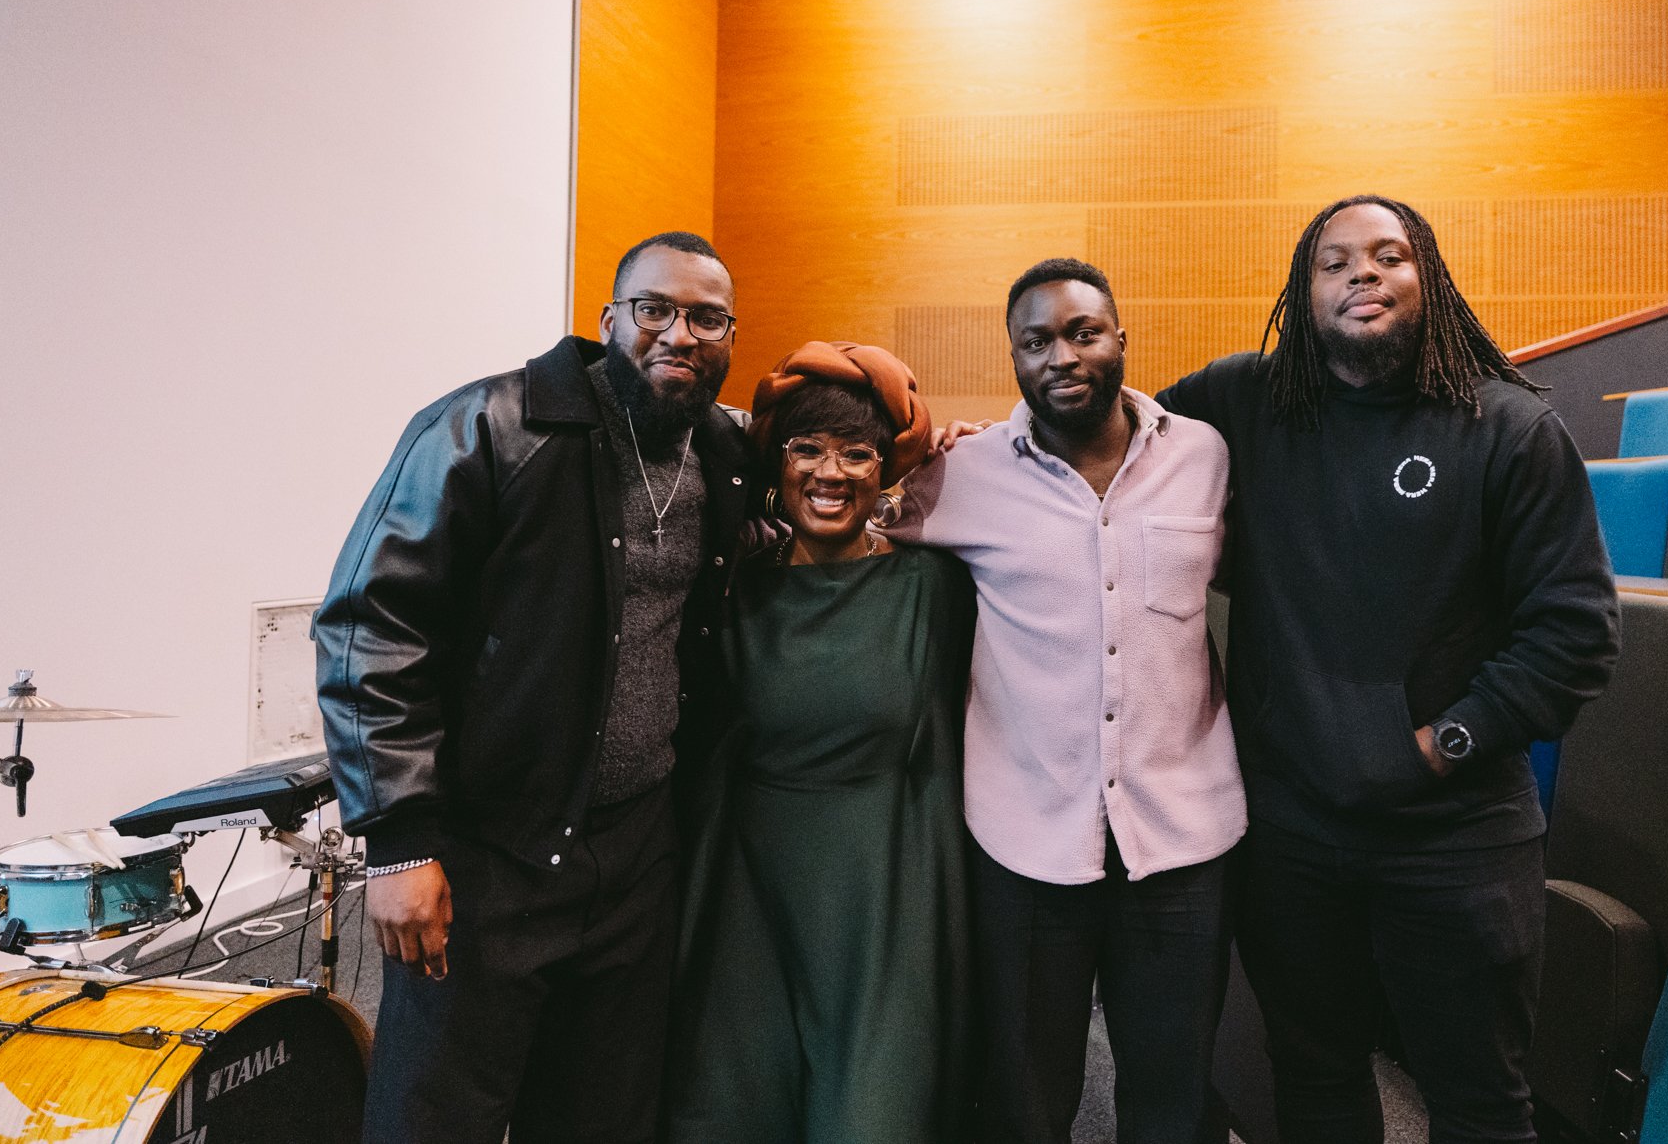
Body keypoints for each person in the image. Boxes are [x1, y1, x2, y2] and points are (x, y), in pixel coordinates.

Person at [1155, 196, 1621, 1144]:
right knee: (1314, 1081)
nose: (1361, 273)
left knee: (1481, 1106)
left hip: (1456, 837)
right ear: (1303, 292)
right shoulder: (1245, 399)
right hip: (1291, 834)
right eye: (1333, 263)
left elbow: (1575, 633)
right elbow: (1106, 431)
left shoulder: (1508, 428)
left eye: (1387, 255)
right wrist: (947, 446)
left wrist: (1442, 744)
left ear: (1428, 278)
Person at [314, 232, 750, 1143]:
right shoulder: (485, 426)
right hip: (488, 849)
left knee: (604, 1116)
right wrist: (398, 841)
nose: (680, 333)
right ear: (609, 319)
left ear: (729, 335)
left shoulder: (720, 450)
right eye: (655, 309)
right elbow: (370, 626)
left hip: (636, 853)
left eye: (707, 318)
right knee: (439, 1116)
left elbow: (848, 440)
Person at [886, 259, 1243, 1144]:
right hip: (1025, 837)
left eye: (1083, 332)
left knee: (1173, 1100)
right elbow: (852, 517)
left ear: (1122, 337)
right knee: (1023, 1104)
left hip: (1181, 837)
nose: (1062, 356)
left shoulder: (1203, 455)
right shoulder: (964, 471)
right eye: (1036, 341)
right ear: (1013, 357)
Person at [666, 341, 977, 1143]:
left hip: (885, 881)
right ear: (778, 461)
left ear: (886, 468)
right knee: (733, 1108)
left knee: (874, 1111)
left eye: (856, 452)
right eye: (807, 448)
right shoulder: (731, 588)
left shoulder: (936, 587)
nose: (829, 473)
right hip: (750, 887)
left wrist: (987, 460)